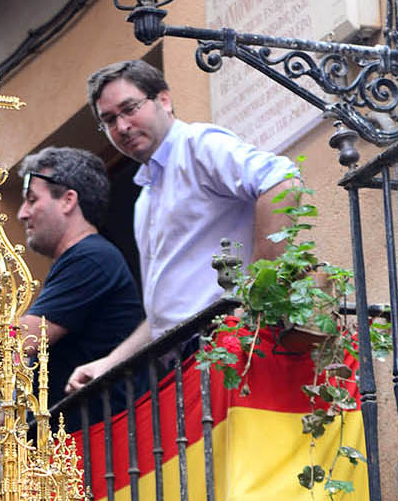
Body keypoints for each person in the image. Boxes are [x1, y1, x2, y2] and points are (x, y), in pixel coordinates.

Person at [66, 60, 298, 392]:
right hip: (188, 364)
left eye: (129, 109)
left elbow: (280, 180)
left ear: (163, 100)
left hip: (230, 344)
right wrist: (110, 363)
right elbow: (166, 313)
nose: (122, 126)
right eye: (109, 120)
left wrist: (260, 298)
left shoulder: (197, 144)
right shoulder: (145, 198)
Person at [15, 146, 143, 414]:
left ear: (68, 200)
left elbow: (25, 339)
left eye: (32, 199)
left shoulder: (90, 258)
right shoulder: (82, 259)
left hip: (102, 438)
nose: (22, 213)